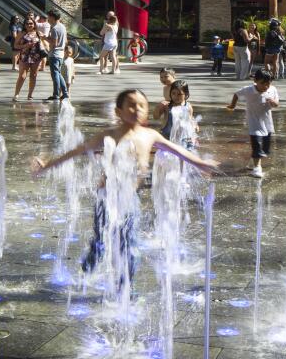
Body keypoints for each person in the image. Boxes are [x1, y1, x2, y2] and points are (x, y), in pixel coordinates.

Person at [31, 89, 218, 281]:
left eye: (141, 105)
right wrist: (47, 166)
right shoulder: (109, 135)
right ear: (118, 111)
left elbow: (177, 150)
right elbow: (77, 151)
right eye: (130, 104)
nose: (136, 109)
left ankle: (126, 289)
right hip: (106, 198)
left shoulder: (150, 135)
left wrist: (199, 163)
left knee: (129, 244)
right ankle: (86, 273)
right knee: (101, 239)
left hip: (130, 199)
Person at [227, 68, 279, 178]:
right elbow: (236, 94)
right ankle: (257, 168)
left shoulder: (272, 90)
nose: (266, 87)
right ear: (255, 81)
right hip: (253, 123)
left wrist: (274, 103)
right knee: (257, 145)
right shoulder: (248, 90)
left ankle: (254, 160)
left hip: (267, 124)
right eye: (263, 84)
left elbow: (276, 104)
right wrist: (232, 105)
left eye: (268, 84)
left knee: (264, 149)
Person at [157, 79, 195, 150]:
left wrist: (195, 126)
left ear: (186, 94)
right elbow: (156, 116)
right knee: (166, 155)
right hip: (167, 135)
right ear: (170, 93)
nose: (176, 96)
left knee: (187, 153)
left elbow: (190, 119)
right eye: (173, 93)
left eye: (179, 94)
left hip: (184, 136)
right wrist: (158, 107)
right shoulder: (167, 106)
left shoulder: (188, 106)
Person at [13, 16, 42, 101]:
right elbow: (15, 45)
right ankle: (16, 94)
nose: (29, 25)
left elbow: (43, 44)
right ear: (24, 25)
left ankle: (30, 95)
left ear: (34, 24)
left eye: (31, 23)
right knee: (22, 76)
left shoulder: (38, 33)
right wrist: (25, 46)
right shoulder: (22, 33)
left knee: (33, 75)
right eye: (27, 23)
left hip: (36, 57)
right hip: (25, 56)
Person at [46, 12, 70, 100]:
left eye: (48, 17)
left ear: (52, 17)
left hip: (54, 54)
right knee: (58, 74)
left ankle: (56, 94)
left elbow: (54, 43)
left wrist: (44, 38)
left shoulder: (54, 29)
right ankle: (65, 93)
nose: (48, 19)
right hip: (61, 54)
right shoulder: (63, 27)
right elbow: (66, 41)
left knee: (55, 74)